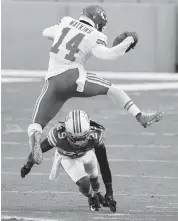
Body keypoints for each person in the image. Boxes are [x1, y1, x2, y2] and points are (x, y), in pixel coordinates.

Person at [27, 5, 163, 165]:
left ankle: (35, 136)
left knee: (36, 123)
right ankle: (140, 116)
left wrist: (61, 33)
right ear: (98, 22)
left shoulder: (66, 22)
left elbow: (46, 32)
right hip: (75, 78)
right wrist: (129, 40)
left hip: (53, 81)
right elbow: (110, 55)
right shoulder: (94, 34)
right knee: (113, 90)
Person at [22, 110, 116, 212]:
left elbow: (104, 164)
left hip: (86, 153)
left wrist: (109, 193)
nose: (79, 143)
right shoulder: (58, 136)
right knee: (84, 183)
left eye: (82, 138)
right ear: (66, 133)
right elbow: (38, 149)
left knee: (94, 177)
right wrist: (28, 164)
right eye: (75, 139)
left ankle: (97, 192)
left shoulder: (96, 136)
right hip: (66, 157)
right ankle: (92, 197)